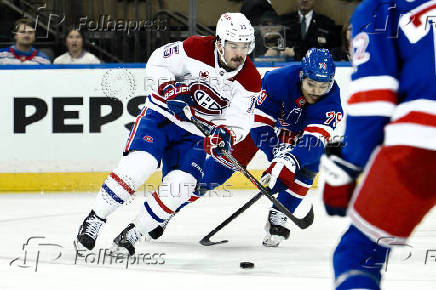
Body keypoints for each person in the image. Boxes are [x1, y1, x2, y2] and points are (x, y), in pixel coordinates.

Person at [76, 12, 261, 256]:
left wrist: (225, 135)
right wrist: (168, 89)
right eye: (234, 45)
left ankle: (133, 232)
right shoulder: (195, 47)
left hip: (195, 134)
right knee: (138, 167)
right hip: (161, 117)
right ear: (219, 42)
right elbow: (157, 62)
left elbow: (240, 121)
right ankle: (95, 219)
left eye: (245, 46)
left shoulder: (251, 79)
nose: (240, 53)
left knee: (182, 187)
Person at [168, 48, 343, 247]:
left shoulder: (332, 101)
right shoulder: (278, 79)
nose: (316, 92)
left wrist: (290, 161)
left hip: (295, 135)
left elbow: (315, 141)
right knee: (215, 173)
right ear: (302, 75)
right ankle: (170, 207)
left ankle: (280, 213)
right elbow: (259, 126)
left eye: (323, 87)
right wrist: (277, 153)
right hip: (256, 128)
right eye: (311, 84)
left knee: (312, 162)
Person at [319, 0, 436, 289]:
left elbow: (374, 102)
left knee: (357, 254)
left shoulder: (379, 9)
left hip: (423, 139)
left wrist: (349, 165)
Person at [265, 0, 339, 60]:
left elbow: (333, 52)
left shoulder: (326, 23)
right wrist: (274, 51)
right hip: (288, 66)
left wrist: (295, 53)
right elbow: (276, 44)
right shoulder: (284, 21)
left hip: (316, 68)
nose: (304, 0)